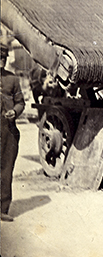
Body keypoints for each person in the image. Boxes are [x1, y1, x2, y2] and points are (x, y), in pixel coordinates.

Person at [1, 41, 25, 222]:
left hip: (8, 130)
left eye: (3, 58)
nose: (1, 61)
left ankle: (2, 208)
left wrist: (15, 111)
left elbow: (20, 102)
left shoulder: (13, 79)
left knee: (6, 170)